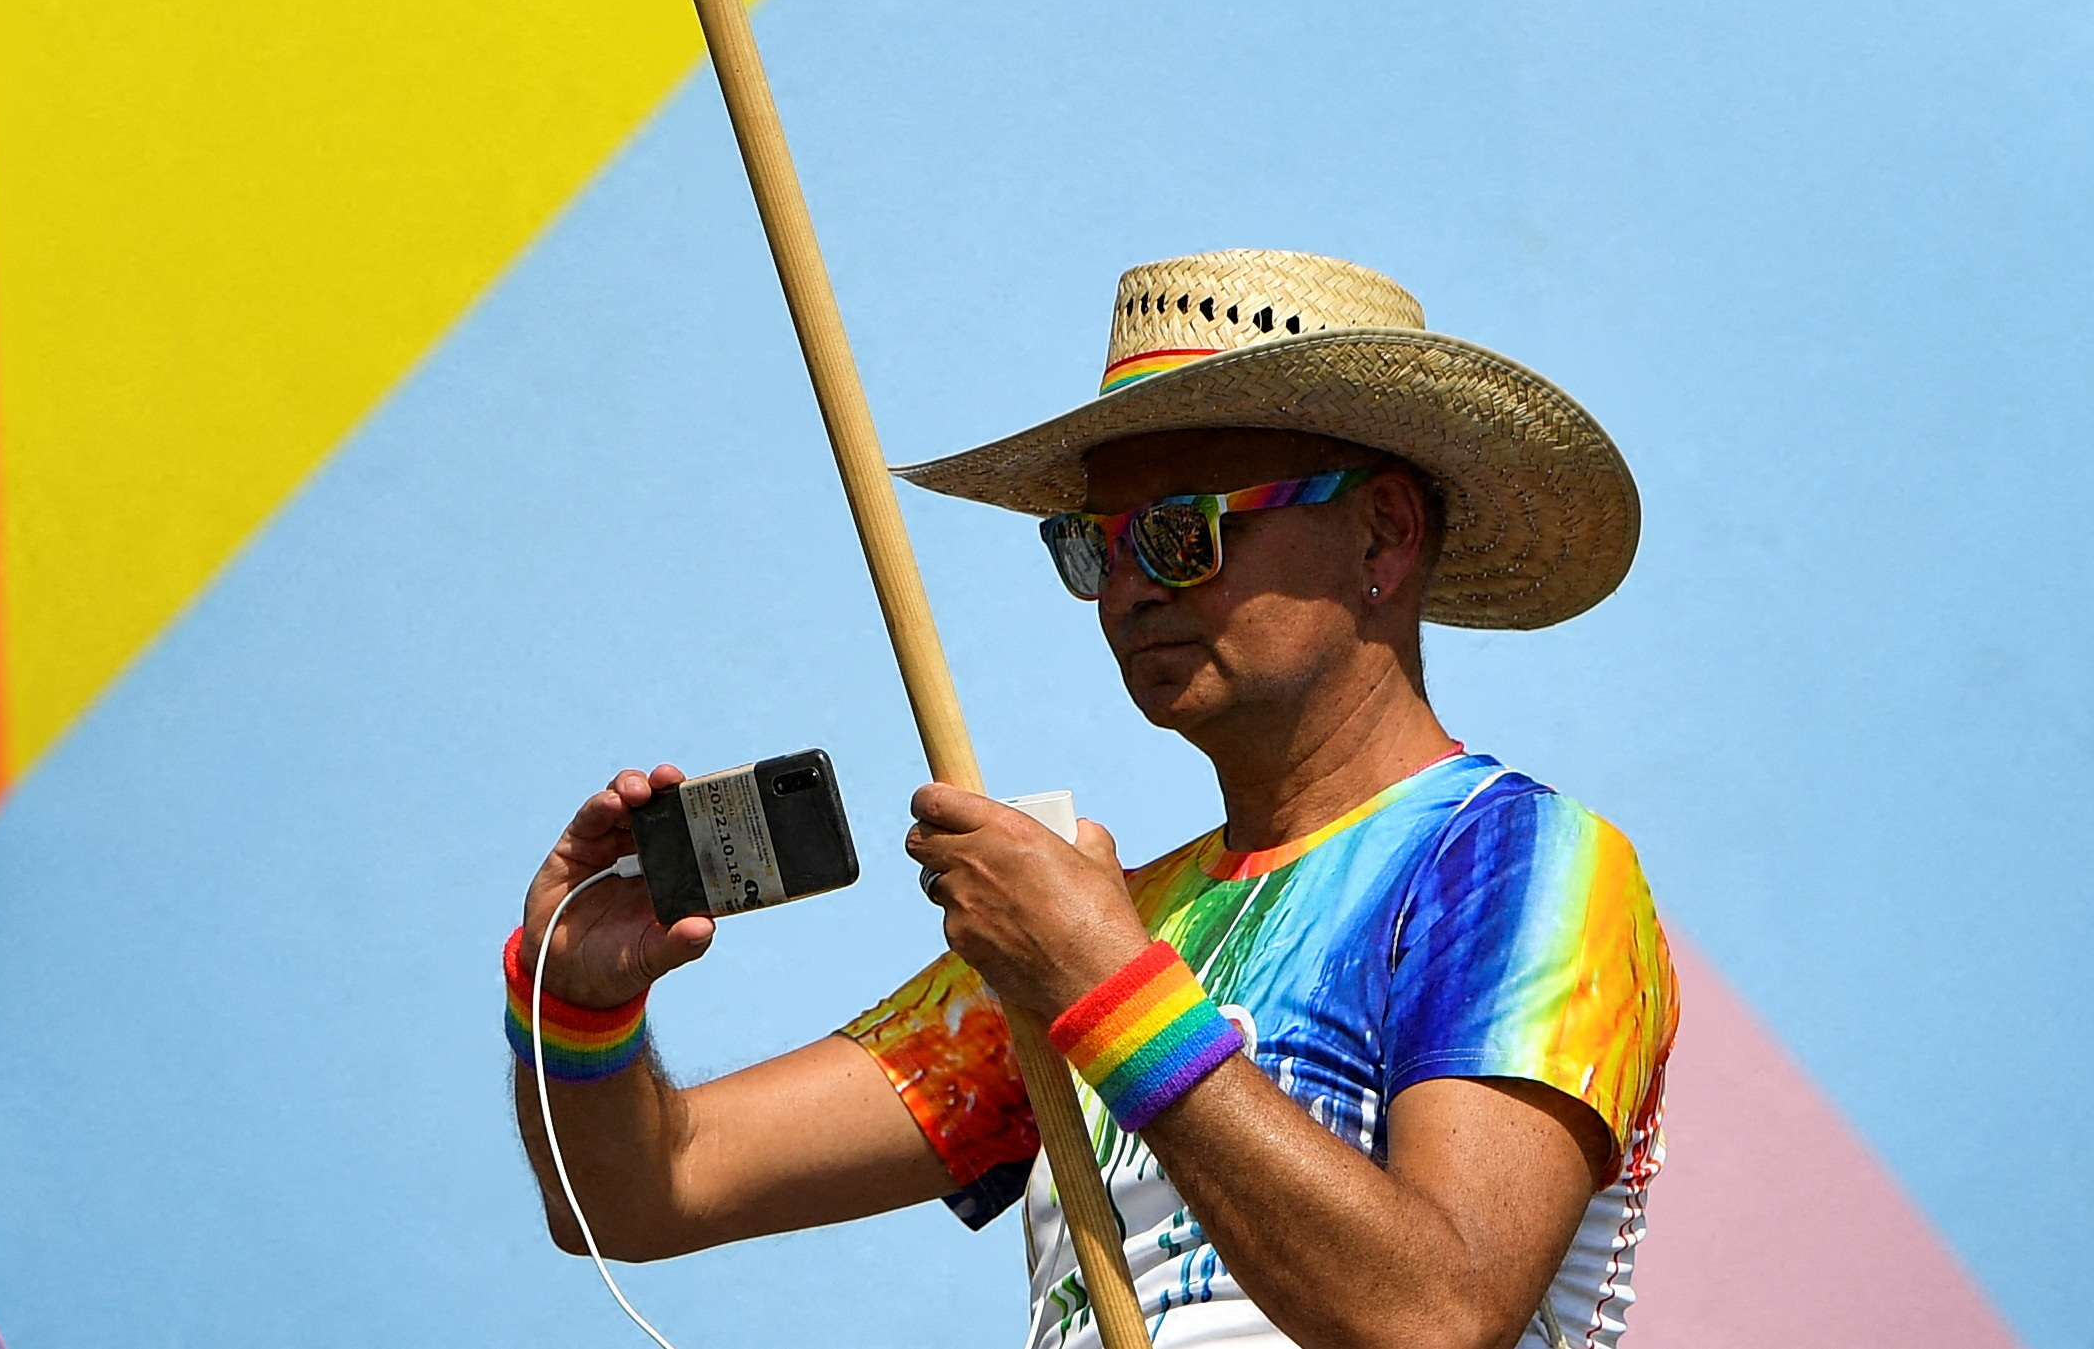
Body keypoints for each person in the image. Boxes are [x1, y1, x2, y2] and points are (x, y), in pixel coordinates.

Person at [502, 251, 1675, 1349]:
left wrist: (1103, 991)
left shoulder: (1516, 864)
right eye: (1091, 545)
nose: (1125, 590)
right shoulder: (1097, 921)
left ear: (1383, 529)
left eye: (1180, 531)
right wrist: (576, 1006)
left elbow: (1438, 1312)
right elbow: (657, 1192)